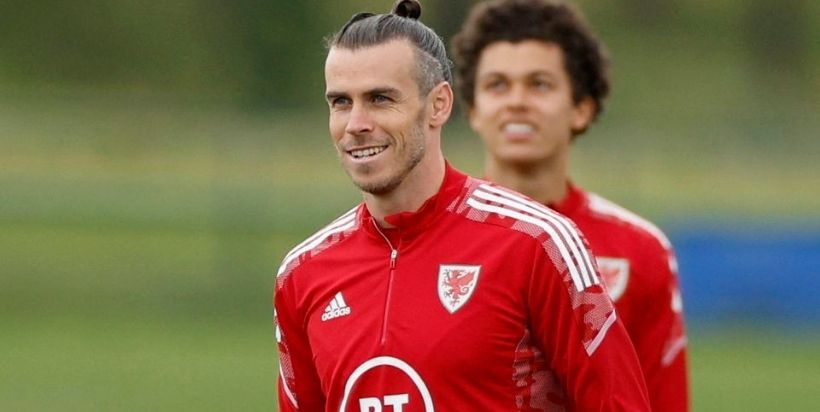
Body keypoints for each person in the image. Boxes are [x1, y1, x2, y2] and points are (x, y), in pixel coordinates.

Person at [274, 1, 650, 410]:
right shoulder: (303, 274)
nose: (356, 124)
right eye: (340, 102)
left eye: (380, 99)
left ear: (439, 104)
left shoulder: (537, 243)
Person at [451, 0, 690, 410]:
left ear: (581, 108)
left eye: (539, 84)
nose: (517, 101)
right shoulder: (435, 236)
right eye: (497, 85)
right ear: (473, 110)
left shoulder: (640, 250)